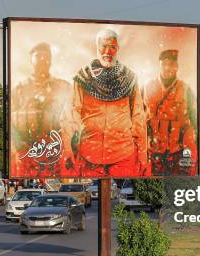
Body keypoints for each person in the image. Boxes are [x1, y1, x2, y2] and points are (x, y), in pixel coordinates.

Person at [62, 29, 148, 177]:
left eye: (112, 47)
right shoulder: (83, 77)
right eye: (103, 46)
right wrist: (68, 149)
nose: (107, 51)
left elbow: (138, 117)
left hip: (123, 155)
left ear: (118, 49)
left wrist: (142, 152)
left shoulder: (130, 78)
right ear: (97, 47)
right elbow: (70, 115)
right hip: (89, 154)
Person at [11, 42, 72, 177]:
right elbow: (10, 121)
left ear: (50, 60)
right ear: (31, 60)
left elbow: (73, 118)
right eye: (38, 56)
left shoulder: (62, 86)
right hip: (27, 150)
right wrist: (19, 147)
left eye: (46, 56)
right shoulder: (19, 90)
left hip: (55, 149)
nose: (42, 60)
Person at [143, 49, 197, 175]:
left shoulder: (186, 89)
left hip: (179, 153)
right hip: (155, 153)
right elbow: (140, 121)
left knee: (178, 188)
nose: (168, 68)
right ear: (159, 65)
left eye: (172, 64)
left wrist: (191, 153)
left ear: (177, 67)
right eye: (164, 64)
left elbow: (194, 121)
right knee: (156, 189)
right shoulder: (147, 87)